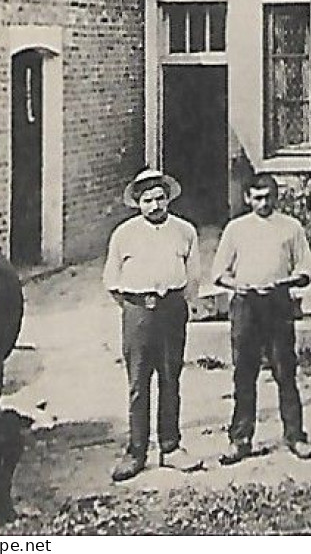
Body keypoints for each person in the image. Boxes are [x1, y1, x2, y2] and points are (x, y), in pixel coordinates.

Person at [210, 172, 311, 465]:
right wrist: (238, 284)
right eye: (257, 197)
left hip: (278, 304)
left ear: (276, 196)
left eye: (269, 197)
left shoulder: (291, 228)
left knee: (285, 372)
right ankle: (240, 439)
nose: (264, 203)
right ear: (247, 198)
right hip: (246, 306)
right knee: (244, 374)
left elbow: (306, 270)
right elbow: (219, 272)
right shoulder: (236, 229)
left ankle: (295, 436)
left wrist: (285, 282)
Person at [103, 168, 201, 481]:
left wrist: (175, 304)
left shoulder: (184, 231)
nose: (155, 205)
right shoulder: (124, 234)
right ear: (137, 203)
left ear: (168, 198)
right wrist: (137, 308)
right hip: (138, 312)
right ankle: (136, 451)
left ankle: (171, 448)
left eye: (160, 198)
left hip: (172, 309)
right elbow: (112, 281)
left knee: (171, 378)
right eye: (147, 200)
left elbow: (193, 276)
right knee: (138, 383)